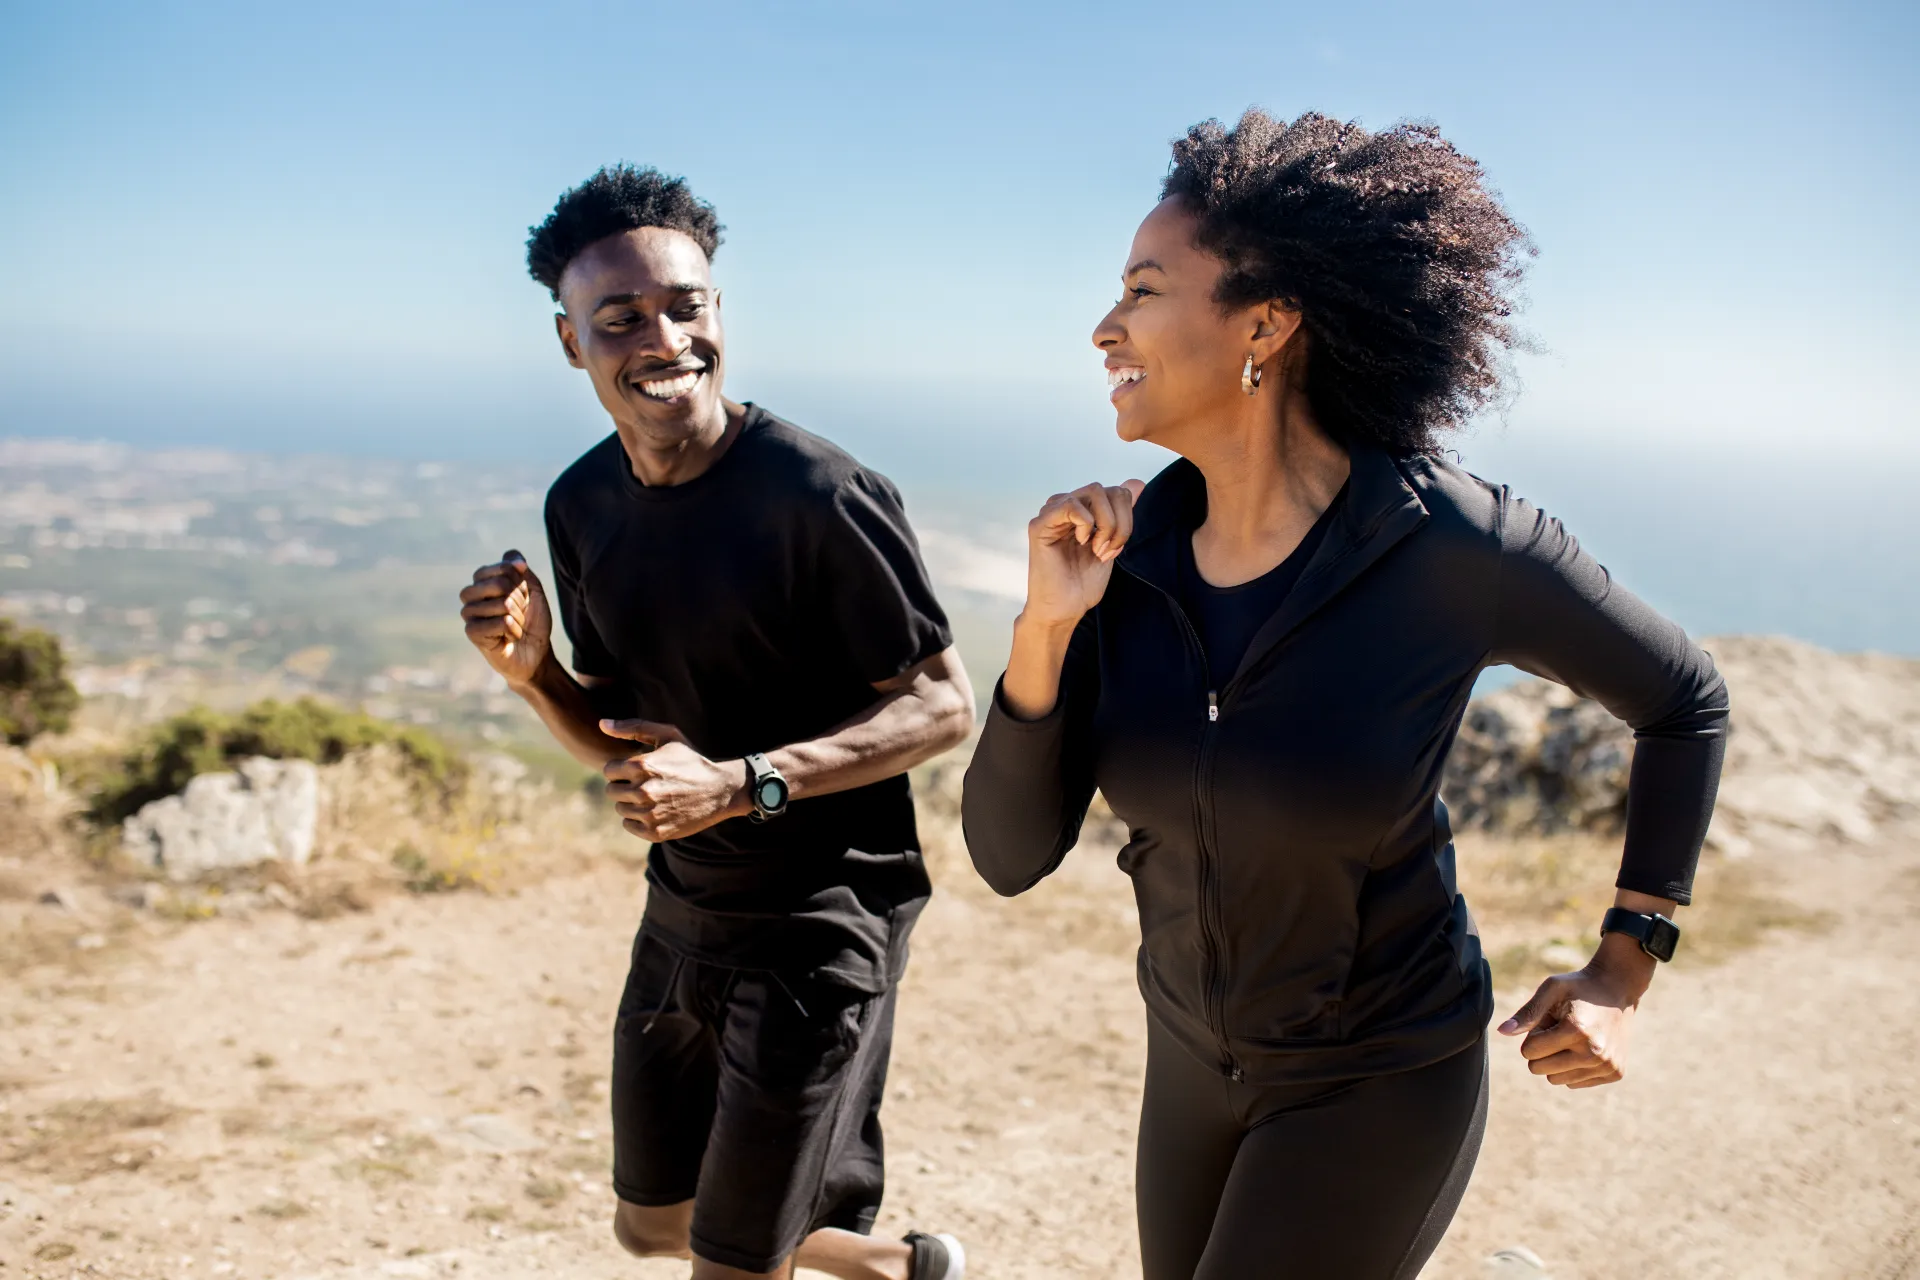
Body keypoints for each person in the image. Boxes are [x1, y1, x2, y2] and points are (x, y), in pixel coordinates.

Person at [961, 111, 1729, 1280]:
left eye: (1145, 290)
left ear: (1265, 323)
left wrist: (1627, 959)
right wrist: (1047, 625)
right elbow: (1009, 851)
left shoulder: (1454, 545)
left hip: (1382, 1075)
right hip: (1188, 1070)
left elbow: (1685, 700)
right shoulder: (1130, 558)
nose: (1104, 326)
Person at [458, 165, 973, 1280]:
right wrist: (534, 671)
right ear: (569, 341)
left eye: (687, 304)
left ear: (718, 310)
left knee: (730, 1266)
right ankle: (898, 1269)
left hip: (822, 919)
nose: (666, 337)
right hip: (684, 909)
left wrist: (743, 783)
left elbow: (943, 703)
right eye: (623, 318)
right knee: (650, 1222)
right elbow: (622, 738)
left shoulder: (820, 493)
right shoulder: (582, 502)